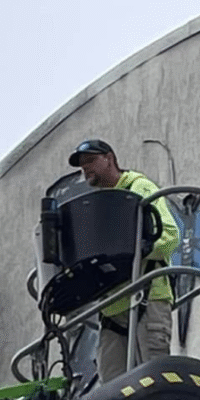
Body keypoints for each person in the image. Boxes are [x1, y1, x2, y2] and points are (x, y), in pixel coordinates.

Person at [67, 139, 180, 383]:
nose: (85, 168)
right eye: (82, 165)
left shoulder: (139, 187)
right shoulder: (97, 208)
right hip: (112, 311)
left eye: (90, 161)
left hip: (147, 298)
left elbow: (170, 237)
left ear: (110, 158)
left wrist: (133, 252)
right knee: (112, 395)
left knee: (154, 382)